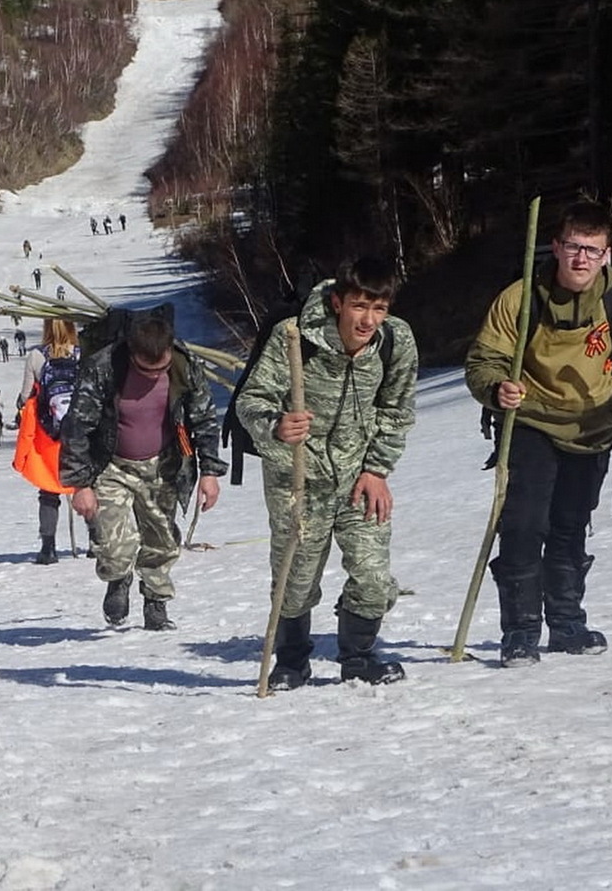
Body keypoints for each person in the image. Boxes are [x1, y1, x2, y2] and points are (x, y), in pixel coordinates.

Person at [466, 201, 612, 667]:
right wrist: (497, 388)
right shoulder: (520, 299)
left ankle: (566, 624)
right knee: (523, 523)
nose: (581, 259)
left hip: (595, 426)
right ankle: (519, 632)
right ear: (556, 247)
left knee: (570, 525)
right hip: (532, 420)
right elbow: (483, 361)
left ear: (606, 255)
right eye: (574, 247)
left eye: (592, 250)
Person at [234, 259, 419, 690]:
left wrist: (377, 469)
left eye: (380, 308)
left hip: (359, 477)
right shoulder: (295, 337)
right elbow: (251, 402)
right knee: (294, 580)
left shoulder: (396, 341)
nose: (369, 319)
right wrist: (278, 425)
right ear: (338, 302)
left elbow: (397, 410)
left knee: (374, 579)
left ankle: (358, 656)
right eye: (359, 306)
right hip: (298, 479)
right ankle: (292, 662)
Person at [60, 311, 227, 630]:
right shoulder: (104, 368)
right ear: (132, 353)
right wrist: (80, 484)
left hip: (163, 464)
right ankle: (118, 578)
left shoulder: (183, 366)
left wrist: (209, 472)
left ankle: (156, 603)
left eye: (160, 368)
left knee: (161, 538)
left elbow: (204, 419)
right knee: (111, 540)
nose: (154, 376)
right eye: (145, 369)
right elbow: (77, 427)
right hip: (110, 465)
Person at [13, 319, 85, 564]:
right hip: (79, 433)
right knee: (87, 484)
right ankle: (97, 540)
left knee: (48, 489)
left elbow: (26, 397)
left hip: (49, 434)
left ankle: (48, 547)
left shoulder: (36, 356)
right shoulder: (81, 353)